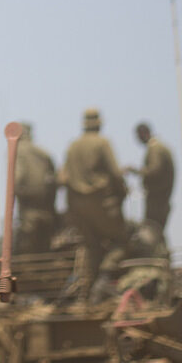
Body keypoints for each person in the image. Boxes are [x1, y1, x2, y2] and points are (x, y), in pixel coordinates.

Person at [59, 108, 127, 301]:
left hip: (76, 207)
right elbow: (115, 173)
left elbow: (62, 177)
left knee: (92, 246)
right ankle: (103, 280)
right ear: (99, 123)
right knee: (122, 241)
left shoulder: (73, 146)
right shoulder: (102, 143)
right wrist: (122, 193)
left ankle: (91, 291)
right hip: (101, 203)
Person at [13, 122, 58, 255]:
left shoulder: (17, 150)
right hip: (46, 206)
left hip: (28, 205)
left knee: (27, 244)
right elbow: (53, 178)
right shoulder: (43, 153)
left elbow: (17, 177)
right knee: (43, 244)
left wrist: (16, 192)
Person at [125, 121, 174, 236]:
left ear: (143, 133)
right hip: (160, 198)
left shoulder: (155, 149)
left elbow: (154, 170)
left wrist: (135, 171)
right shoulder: (159, 147)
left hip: (157, 199)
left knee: (152, 232)